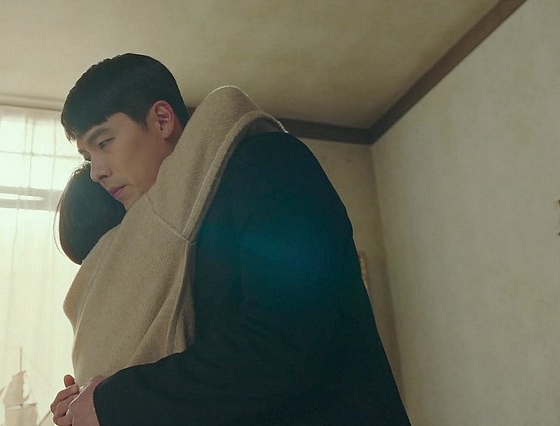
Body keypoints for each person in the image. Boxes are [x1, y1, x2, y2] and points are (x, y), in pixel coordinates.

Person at [51, 53, 410, 426]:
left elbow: (284, 341)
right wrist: (87, 397)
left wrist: (114, 403)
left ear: (161, 120)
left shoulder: (266, 163)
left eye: (104, 142)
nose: (96, 172)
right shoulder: (157, 239)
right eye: (87, 156)